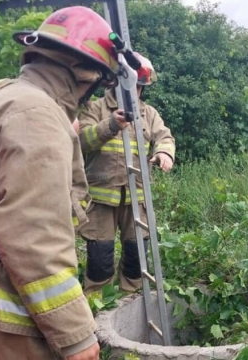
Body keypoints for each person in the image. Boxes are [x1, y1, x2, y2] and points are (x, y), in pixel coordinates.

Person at [0, 6, 120, 360]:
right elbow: (32, 235)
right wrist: (75, 334)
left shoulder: (4, 98)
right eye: (96, 79)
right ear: (80, 69)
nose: (90, 93)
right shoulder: (38, 115)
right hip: (15, 313)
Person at [77, 52, 176, 295]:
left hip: (137, 198)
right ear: (114, 83)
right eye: (130, 86)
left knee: (136, 257)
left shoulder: (148, 113)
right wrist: (110, 125)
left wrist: (164, 153)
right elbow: (80, 141)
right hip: (101, 200)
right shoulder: (95, 108)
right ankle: (97, 308)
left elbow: (165, 136)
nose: (134, 93)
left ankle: (130, 302)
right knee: (100, 259)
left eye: (139, 88)